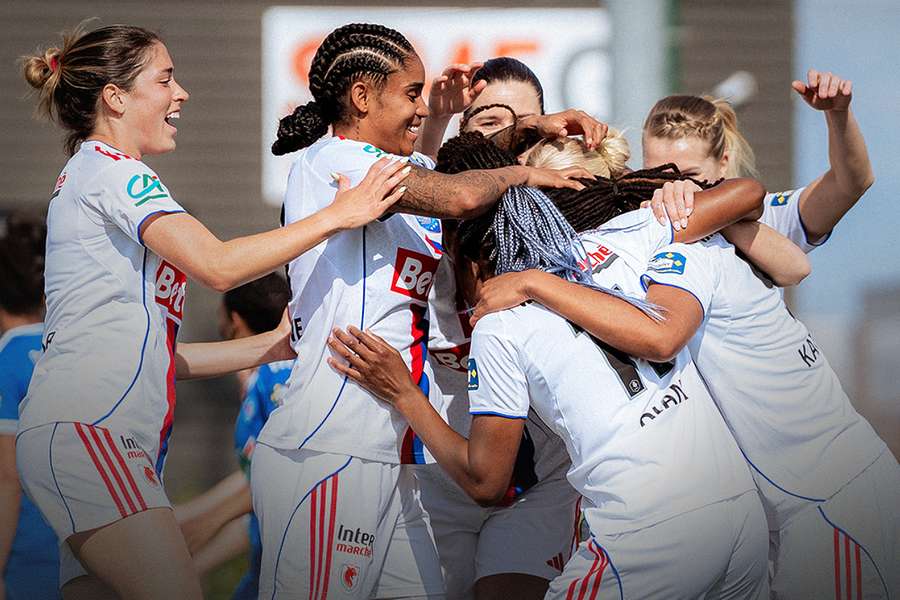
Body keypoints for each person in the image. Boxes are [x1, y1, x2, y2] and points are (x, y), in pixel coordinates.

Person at [17, 23, 411, 600]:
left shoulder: (89, 173)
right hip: (90, 434)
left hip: (86, 432)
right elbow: (219, 265)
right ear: (116, 96)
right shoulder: (114, 172)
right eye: (166, 78)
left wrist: (267, 346)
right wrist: (339, 213)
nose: (183, 93)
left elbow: (154, 356)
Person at [468, 110, 899, 598]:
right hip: (772, 507)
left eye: (682, 177)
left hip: (826, 492)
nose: (664, 186)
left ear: (721, 165)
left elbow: (667, 333)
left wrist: (531, 281)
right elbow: (792, 261)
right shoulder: (653, 234)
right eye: (651, 174)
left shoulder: (674, 232)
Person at [250, 23, 594, 600]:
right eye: (411, 94)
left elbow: (448, 176)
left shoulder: (381, 173)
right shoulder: (339, 159)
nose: (422, 108)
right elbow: (458, 194)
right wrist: (526, 169)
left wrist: (530, 128)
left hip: (393, 456)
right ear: (362, 98)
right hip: (332, 446)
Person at [327, 183, 770, 600]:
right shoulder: (624, 238)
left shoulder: (500, 328)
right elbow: (750, 192)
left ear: (477, 261)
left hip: (651, 530)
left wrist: (405, 395)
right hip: (740, 516)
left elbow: (485, 482)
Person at [641, 69, 874, 252]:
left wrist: (838, 114)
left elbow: (851, 183)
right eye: (657, 176)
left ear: (723, 162)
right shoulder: (632, 223)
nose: (673, 188)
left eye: (689, 176)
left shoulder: (769, 217)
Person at [176, 273, 293, 599]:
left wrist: (205, 523)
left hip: (290, 562)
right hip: (266, 557)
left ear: (234, 319)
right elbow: (255, 494)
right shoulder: (274, 378)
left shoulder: (273, 381)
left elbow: (281, 475)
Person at [0, 216, 59, 600]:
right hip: (88, 545)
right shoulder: (70, 349)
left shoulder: (7, 359)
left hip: (26, 554)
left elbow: (8, 477)